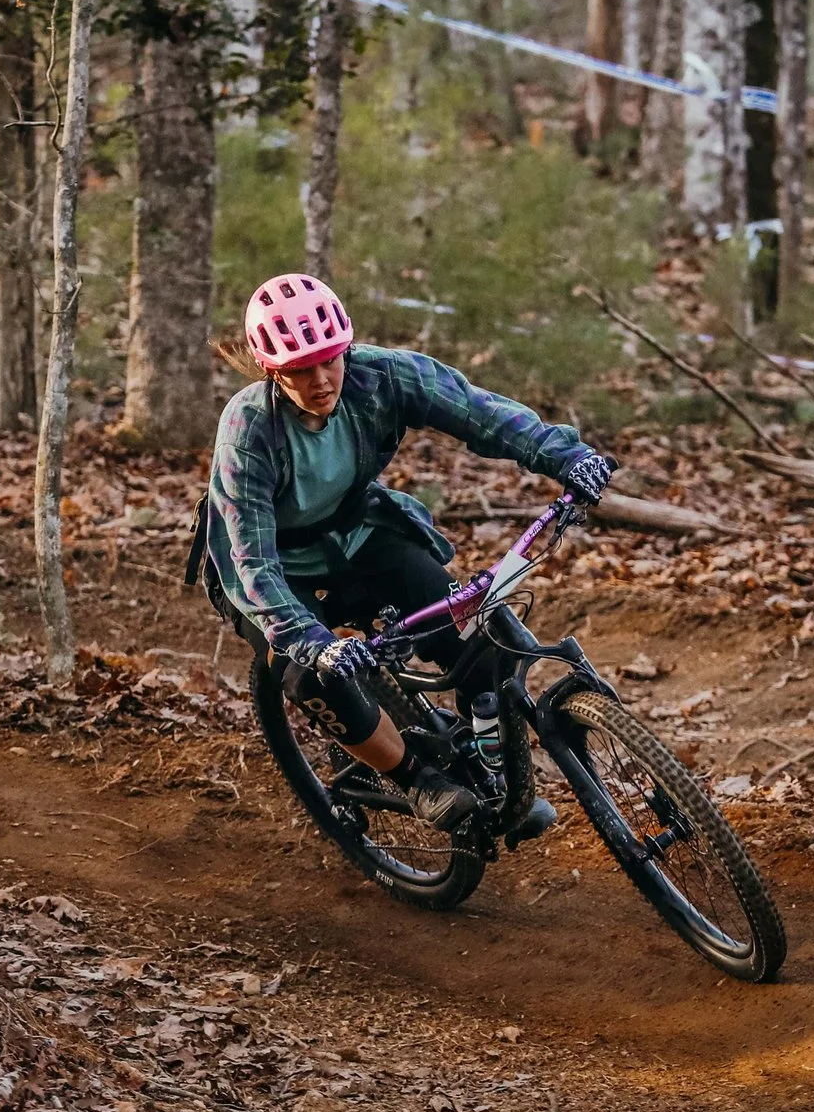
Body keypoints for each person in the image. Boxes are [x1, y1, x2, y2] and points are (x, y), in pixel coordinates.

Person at [191, 273, 613, 832]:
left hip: (356, 533)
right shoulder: (248, 428)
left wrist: (562, 455)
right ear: (272, 370)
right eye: (299, 370)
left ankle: (489, 754)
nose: (320, 380)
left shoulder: (382, 374)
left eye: (330, 360)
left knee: (474, 627)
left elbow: (477, 410)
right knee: (311, 673)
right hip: (273, 568)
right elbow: (251, 561)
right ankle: (417, 778)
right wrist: (314, 643)